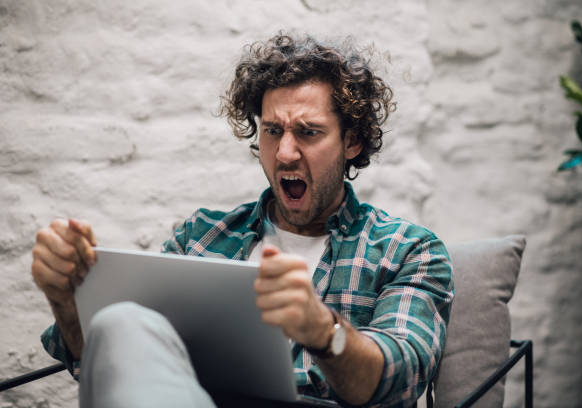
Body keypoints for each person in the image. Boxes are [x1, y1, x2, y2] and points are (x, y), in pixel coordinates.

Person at [31, 33, 454, 407]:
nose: (285, 153)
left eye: (308, 132)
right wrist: (67, 300)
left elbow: (401, 377)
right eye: (272, 131)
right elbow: (116, 365)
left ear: (353, 140)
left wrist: (325, 333)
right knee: (119, 322)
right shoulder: (201, 237)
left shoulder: (406, 249)